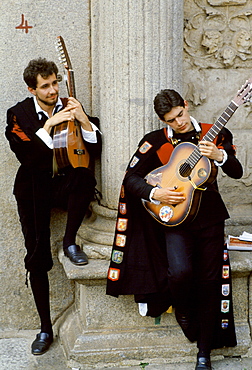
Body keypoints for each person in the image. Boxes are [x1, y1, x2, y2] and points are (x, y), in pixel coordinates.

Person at [106, 89, 243, 370]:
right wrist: (156, 193)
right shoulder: (155, 143)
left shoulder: (214, 133)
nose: (179, 122)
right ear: (163, 120)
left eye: (181, 114)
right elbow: (130, 180)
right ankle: (182, 308)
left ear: (186, 105)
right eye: (171, 120)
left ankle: (203, 353)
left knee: (209, 282)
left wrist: (220, 155)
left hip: (210, 219)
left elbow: (238, 171)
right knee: (180, 272)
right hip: (176, 221)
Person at [5, 58, 102, 355]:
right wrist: (48, 125)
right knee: (37, 258)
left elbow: (96, 151)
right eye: (45, 86)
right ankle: (45, 327)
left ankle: (71, 241)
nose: (52, 90)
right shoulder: (17, 114)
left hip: (64, 184)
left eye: (54, 83)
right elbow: (28, 156)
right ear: (32, 88)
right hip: (33, 189)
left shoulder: (71, 105)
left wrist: (84, 121)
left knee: (85, 178)